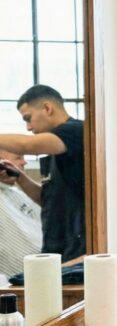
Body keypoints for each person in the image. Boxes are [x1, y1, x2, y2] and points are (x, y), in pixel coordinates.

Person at [0, 85, 85, 261]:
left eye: (28, 118)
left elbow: (26, 145)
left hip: (76, 249)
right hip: (54, 247)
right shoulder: (56, 149)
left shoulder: (77, 131)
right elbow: (48, 199)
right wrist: (19, 177)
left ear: (47, 108)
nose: (28, 127)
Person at [0, 149, 43, 283]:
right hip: (19, 281)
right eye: (19, 157)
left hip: (48, 269)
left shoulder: (18, 192)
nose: (24, 162)